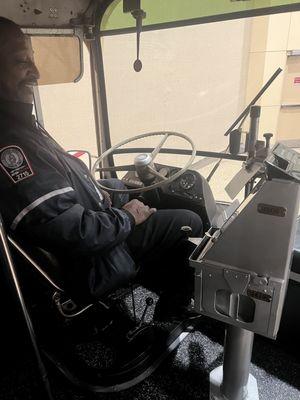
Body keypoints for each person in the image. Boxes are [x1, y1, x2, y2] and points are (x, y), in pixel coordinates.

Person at [0, 17, 203, 321]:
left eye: (33, 60)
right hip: (93, 263)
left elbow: (58, 199)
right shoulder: (12, 146)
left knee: (121, 186)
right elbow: (76, 233)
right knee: (190, 220)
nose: (37, 72)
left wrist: (103, 193)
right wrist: (127, 216)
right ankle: (172, 308)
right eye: (21, 61)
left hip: (94, 238)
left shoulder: (21, 126)